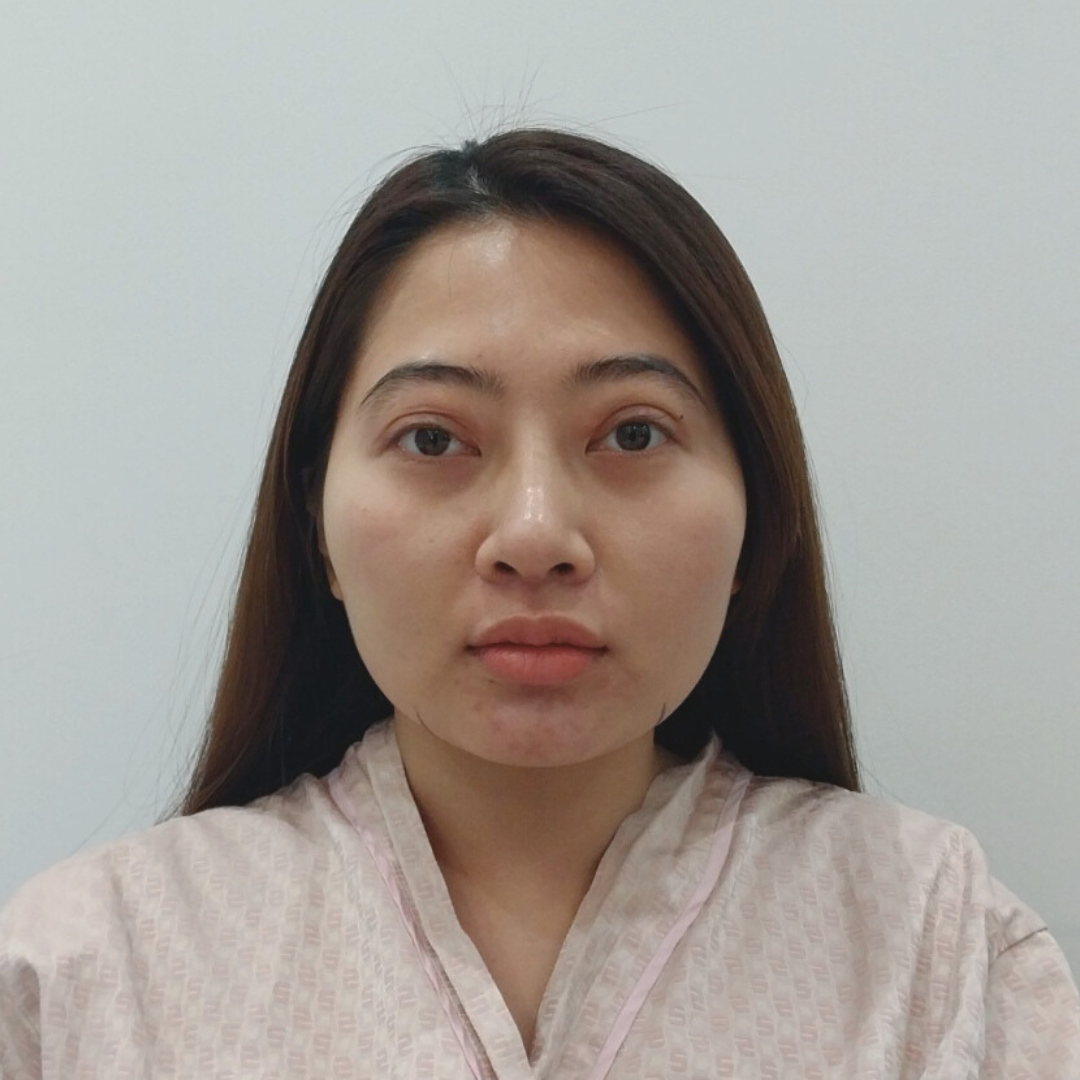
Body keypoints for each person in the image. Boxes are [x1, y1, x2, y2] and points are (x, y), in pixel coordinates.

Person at [1, 127, 1077, 1079]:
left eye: (633, 433)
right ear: (315, 525)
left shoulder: (934, 941)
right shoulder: (88, 969)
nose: (533, 536)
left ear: (756, 519)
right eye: (433, 438)